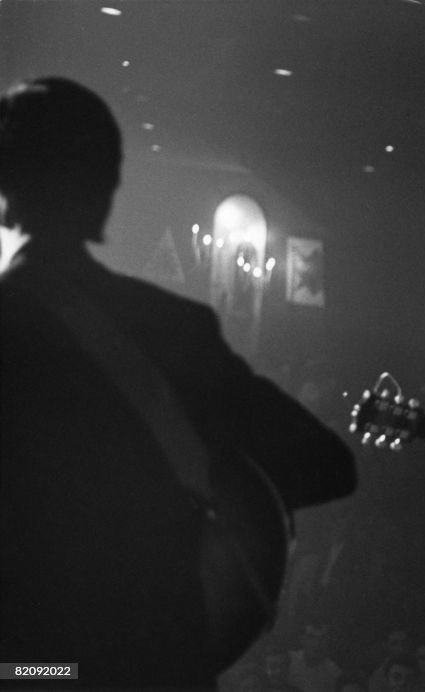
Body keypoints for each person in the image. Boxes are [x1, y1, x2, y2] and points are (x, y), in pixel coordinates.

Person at [0, 77, 356, 689]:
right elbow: (325, 465)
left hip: (34, 668)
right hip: (159, 661)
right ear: (106, 189)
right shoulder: (175, 328)